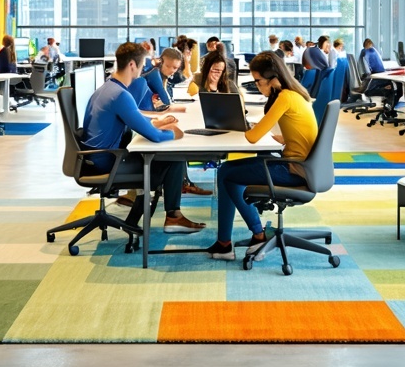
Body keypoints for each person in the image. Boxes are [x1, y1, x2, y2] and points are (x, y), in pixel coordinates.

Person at [81, 42, 205, 233]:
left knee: (163, 157)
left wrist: (158, 123)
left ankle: (140, 220)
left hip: (94, 158)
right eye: (141, 65)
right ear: (132, 65)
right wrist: (174, 132)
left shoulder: (105, 89)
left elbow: (135, 122)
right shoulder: (120, 95)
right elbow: (154, 137)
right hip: (110, 162)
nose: (143, 69)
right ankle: (173, 217)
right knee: (174, 158)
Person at [205, 52, 318, 260]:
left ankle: (248, 238)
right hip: (301, 164)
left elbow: (253, 138)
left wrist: (241, 125)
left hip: (294, 169)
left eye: (258, 81)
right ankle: (230, 241)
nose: (257, 85)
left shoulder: (284, 96)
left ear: (273, 77)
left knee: (227, 174)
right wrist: (283, 136)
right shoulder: (296, 94)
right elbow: (300, 131)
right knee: (227, 171)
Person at [127, 47, 186, 112]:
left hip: (147, 112)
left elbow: (169, 100)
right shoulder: (154, 74)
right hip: (138, 113)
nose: (171, 70)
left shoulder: (163, 77)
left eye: (175, 68)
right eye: (168, 66)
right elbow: (167, 101)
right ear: (161, 62)